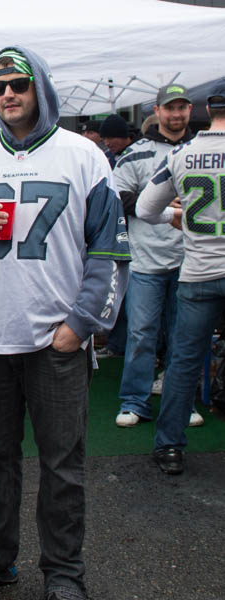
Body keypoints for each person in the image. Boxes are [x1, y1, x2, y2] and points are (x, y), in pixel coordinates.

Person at [0, 47, 129, 600]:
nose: (8, 94)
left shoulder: (85, 156)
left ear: (40, 86)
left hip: (55, 343)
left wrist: (81, 325)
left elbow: (109, 253)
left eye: (18, 83)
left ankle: (64, 572)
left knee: (63, 466)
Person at [135, 82, 225, 475]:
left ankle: (169, 446)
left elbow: (144, 209)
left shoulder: (181, 154)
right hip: (202, 272)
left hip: (198, 273)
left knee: (183, 362)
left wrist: (178, 217)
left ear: (206, 110)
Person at [113, 83, 199, 429]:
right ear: (157, 111)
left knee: (185, 336)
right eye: (170, 107)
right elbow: (116, 197)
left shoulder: (201, 149)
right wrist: (163, 206)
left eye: (181, 107)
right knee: (141, 333)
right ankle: (135, 401)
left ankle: (182, 402)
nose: (176, 114)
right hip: (146, 260)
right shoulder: (136, 153)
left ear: (189, 110)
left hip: (191, 261)